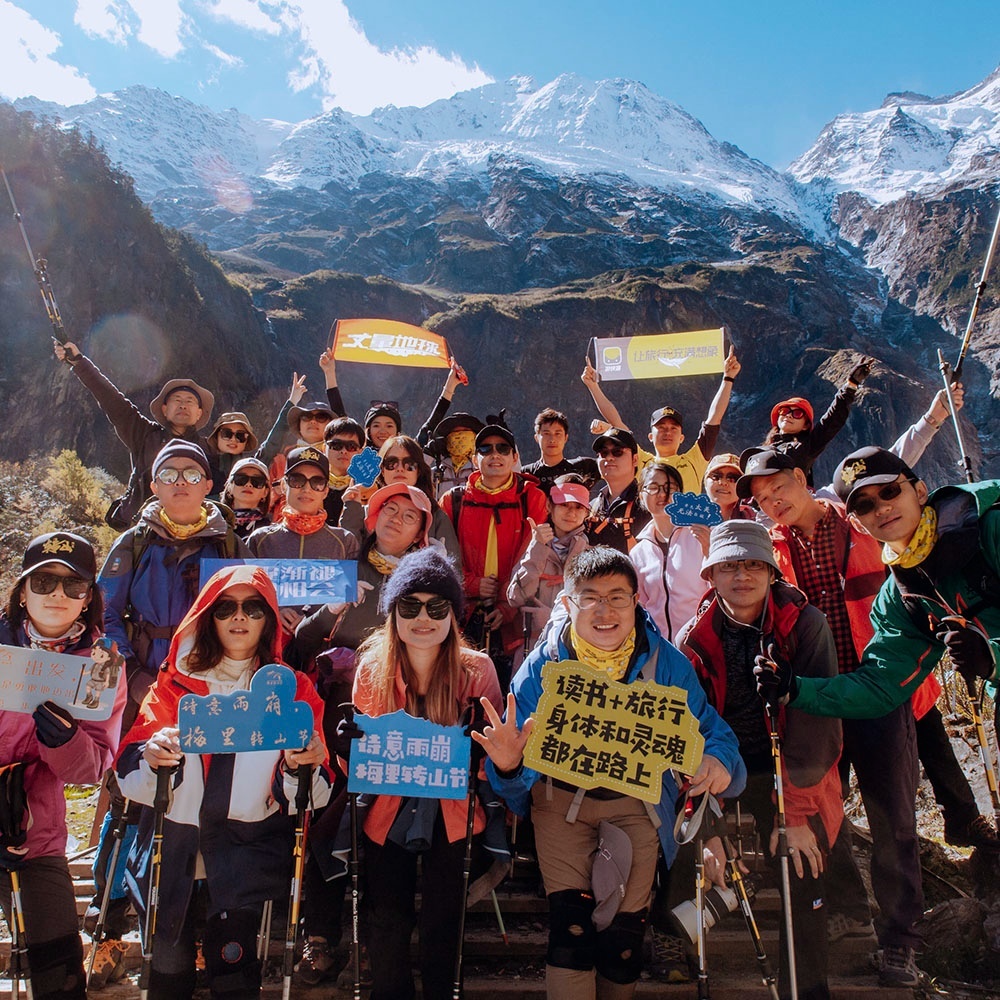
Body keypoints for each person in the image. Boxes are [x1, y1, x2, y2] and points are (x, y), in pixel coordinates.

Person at [477, 546, 745, 999]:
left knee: (624, 939)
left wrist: (718, 762)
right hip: (560, 803)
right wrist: (507, 766)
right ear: (568, 603)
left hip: (638, 805)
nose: (605, 612)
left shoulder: (665, 664)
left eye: (618, 598)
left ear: (636, 601)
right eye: (591, 598)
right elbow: (509, 763)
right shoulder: (544, 666)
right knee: (571, 932)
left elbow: (714, 734)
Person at [736, 448, 923, 988]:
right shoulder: (772, 547)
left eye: (778, 487)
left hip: (877, 690)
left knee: (893, 816)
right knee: (818, 811)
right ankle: (845, 906)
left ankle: (900, 940)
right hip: (813, 697)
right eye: (761, 498)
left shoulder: (861, 523)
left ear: (801, 478)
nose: (772, 501)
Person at [761, 446, 1000, 849]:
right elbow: (880, 684)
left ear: (919, 490)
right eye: (865, 505)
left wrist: (992, 655)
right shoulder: (902, 593)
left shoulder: (990, 529)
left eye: (889, 492)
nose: (882, 509)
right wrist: (796, 689)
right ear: (857, 520)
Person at [115, 564, 333, 999]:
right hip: (175, 843)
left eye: (254, 608)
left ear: (269, 619)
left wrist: (301, 766)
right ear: (206, 617)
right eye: (225, 608)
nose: (239, 617)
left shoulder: (292, 690)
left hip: (246, 846)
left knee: (234, 967)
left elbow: (315, 789)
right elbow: (131, 771)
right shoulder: (173, 685)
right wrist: (155, 757)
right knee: (169, 966)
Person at [676, 521, 843, 1000]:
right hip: (722, 765)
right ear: (710, 575)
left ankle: (806, 990)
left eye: (754, 565)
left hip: (790, 764)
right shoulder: (693, 638)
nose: (742, 576)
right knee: (684, 849)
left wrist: (798, 814)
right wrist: (706, 827)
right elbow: (686, 733)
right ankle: (675, 953)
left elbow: (818, 725)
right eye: (729, 566)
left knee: (802, 862)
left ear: (772, 572)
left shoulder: (804, 625)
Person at [290, 482, 435, 985]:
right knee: (328, 818)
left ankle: (378, 940)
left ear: (421, 531)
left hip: (401, 718)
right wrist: (331, 609)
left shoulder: (429, 581)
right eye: (388, 509)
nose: (396, 519)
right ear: (372, 515)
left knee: (384, 827)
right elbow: (300, 642)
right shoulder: (344, 569)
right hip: (339, 718)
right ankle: (319, 936)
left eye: (409, 516)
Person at [349, 548, 502, 1000]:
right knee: (386, 920)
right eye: (409, 606)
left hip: (454, 811)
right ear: (392, 612)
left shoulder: (477, 670)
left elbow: (495, 757)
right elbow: (360, 762)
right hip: (386, 808)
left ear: (453, 615)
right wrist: (347, 749)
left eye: (437, 607)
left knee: (444, 921)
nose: (422, 618)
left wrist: (487, 755)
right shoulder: (372, 668)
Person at [0, 531, 127, 998]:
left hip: (35, 833)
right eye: (43, 582)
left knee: (60, 970)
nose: (57, 594)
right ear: (22, 591)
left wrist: (66, 742)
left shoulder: (101, 665)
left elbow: (91, 769)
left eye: (73, 585)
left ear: (88, 597)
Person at [53, 340, 215, 529]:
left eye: (190, 402)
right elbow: (112, 400)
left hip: (193, 530)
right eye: (177, 400)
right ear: (164, 409)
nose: (183, 405)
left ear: (199, 413)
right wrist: (79, 362)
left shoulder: (210, 450)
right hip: (140, 528)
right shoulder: (144, 435)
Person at [440, 417, 548, 690]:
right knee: (460, 689)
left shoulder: (531, 498)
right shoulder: (453, 501)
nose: (494, 454)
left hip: (514, 619)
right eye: (485, 449)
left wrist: (505, 604)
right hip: (463, 614)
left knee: (509, 691)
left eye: (503, 448)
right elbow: (441, 555)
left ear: (515, 457)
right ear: (475, 459)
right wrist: (471, 583)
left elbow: (532, 553)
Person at [581, 347, 741, 492]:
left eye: (673, 428)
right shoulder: (640, 460)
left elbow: (714, 419)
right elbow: (616, 422)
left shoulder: (694, 460)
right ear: (650, 436)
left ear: (682, 438)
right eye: (662, 427)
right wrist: (593, 386)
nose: (668, 432)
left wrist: (728, 378)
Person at [246, 446, 360, 638]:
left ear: (326, 491)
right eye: (297, 480)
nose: (307, 489)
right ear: (284, 485)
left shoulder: (345, 541)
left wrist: (312, 619)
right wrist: (273, 611)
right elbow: (247, 594)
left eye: (317, 482)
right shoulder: (260, 540)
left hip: (322, 646)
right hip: (268, 641)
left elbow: (351, 603)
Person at [751, 354, 873, 487]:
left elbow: (832, 419)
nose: (789, 416)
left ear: (805, 425)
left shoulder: (807, 446)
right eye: (784, 411)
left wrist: (851, 385)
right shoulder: (761, 451)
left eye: (797, 413)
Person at [340, 435, 460, 561]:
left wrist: (440, 565)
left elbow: (454, 566)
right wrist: (351, 508)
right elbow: (347, 556)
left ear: (418, 471)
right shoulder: (364, 511)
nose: (400, 469)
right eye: (391, 463)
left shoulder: (436, 516)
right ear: (382, 470)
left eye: (409, 464)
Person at [507, 476, 591, 652]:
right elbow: (515, 597)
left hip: (576, 647)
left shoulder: (592, 555)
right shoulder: (535, 544)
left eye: (578, 507)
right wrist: (537, 548)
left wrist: (554, 617)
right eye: (564, 505)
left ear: (587, 513)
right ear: (549, 506)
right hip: (532, 648)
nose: (571, 513)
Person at [630, 462, 709, 643]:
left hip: (699, 644)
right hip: (658, 647)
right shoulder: (638, 553)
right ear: (641, 495)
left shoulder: (699, 536)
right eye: (653, 487)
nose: (662, 494)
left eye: (670, 488)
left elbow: (717, 589)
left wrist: (709, 550)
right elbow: (641, 605)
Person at [586, 428, 651, 554]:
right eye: (604, 453)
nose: (609, 457)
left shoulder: (647, 504)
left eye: (617, 452)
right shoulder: (591, 507)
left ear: (635, 460)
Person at [521, 408, 600, 493]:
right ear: (536, 438)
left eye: (557, 434)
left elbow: (610, 465)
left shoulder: (582, 467)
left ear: (566, 438)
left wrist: (608, 428)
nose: (552, 440)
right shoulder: (527, 474)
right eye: (546, 434)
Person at [423, 411, 485, 499]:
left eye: (465, 432)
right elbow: (411, 476)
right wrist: (427, 454)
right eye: (455, 433)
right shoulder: (436, 473)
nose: (460, 438)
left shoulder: (484, 470)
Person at [323, 417, 366, 525]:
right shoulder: (311, 483)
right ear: (324, 448)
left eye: (351, 446)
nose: (343, 451)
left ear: (360, 453)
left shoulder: (367, 489)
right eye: (336, 445)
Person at [204, 411, 259, 497]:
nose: (233, 439)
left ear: (246, 441)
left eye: (240, 435)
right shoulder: (203, 465)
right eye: (227, 434)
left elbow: (272, 446)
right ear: (216, 437)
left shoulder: (254, 467)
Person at [221, 457, 272, 539]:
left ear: (265, 492)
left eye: (257, 481)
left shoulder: (270, 531)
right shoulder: (215, 523)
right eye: (241, 479)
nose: (248, 484)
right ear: (229, 487)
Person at [702, 453, 755, 521]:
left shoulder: (755, 520)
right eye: (716, 476)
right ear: (705, 483)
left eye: (732, 478)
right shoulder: (690, 517)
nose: (723, 482)